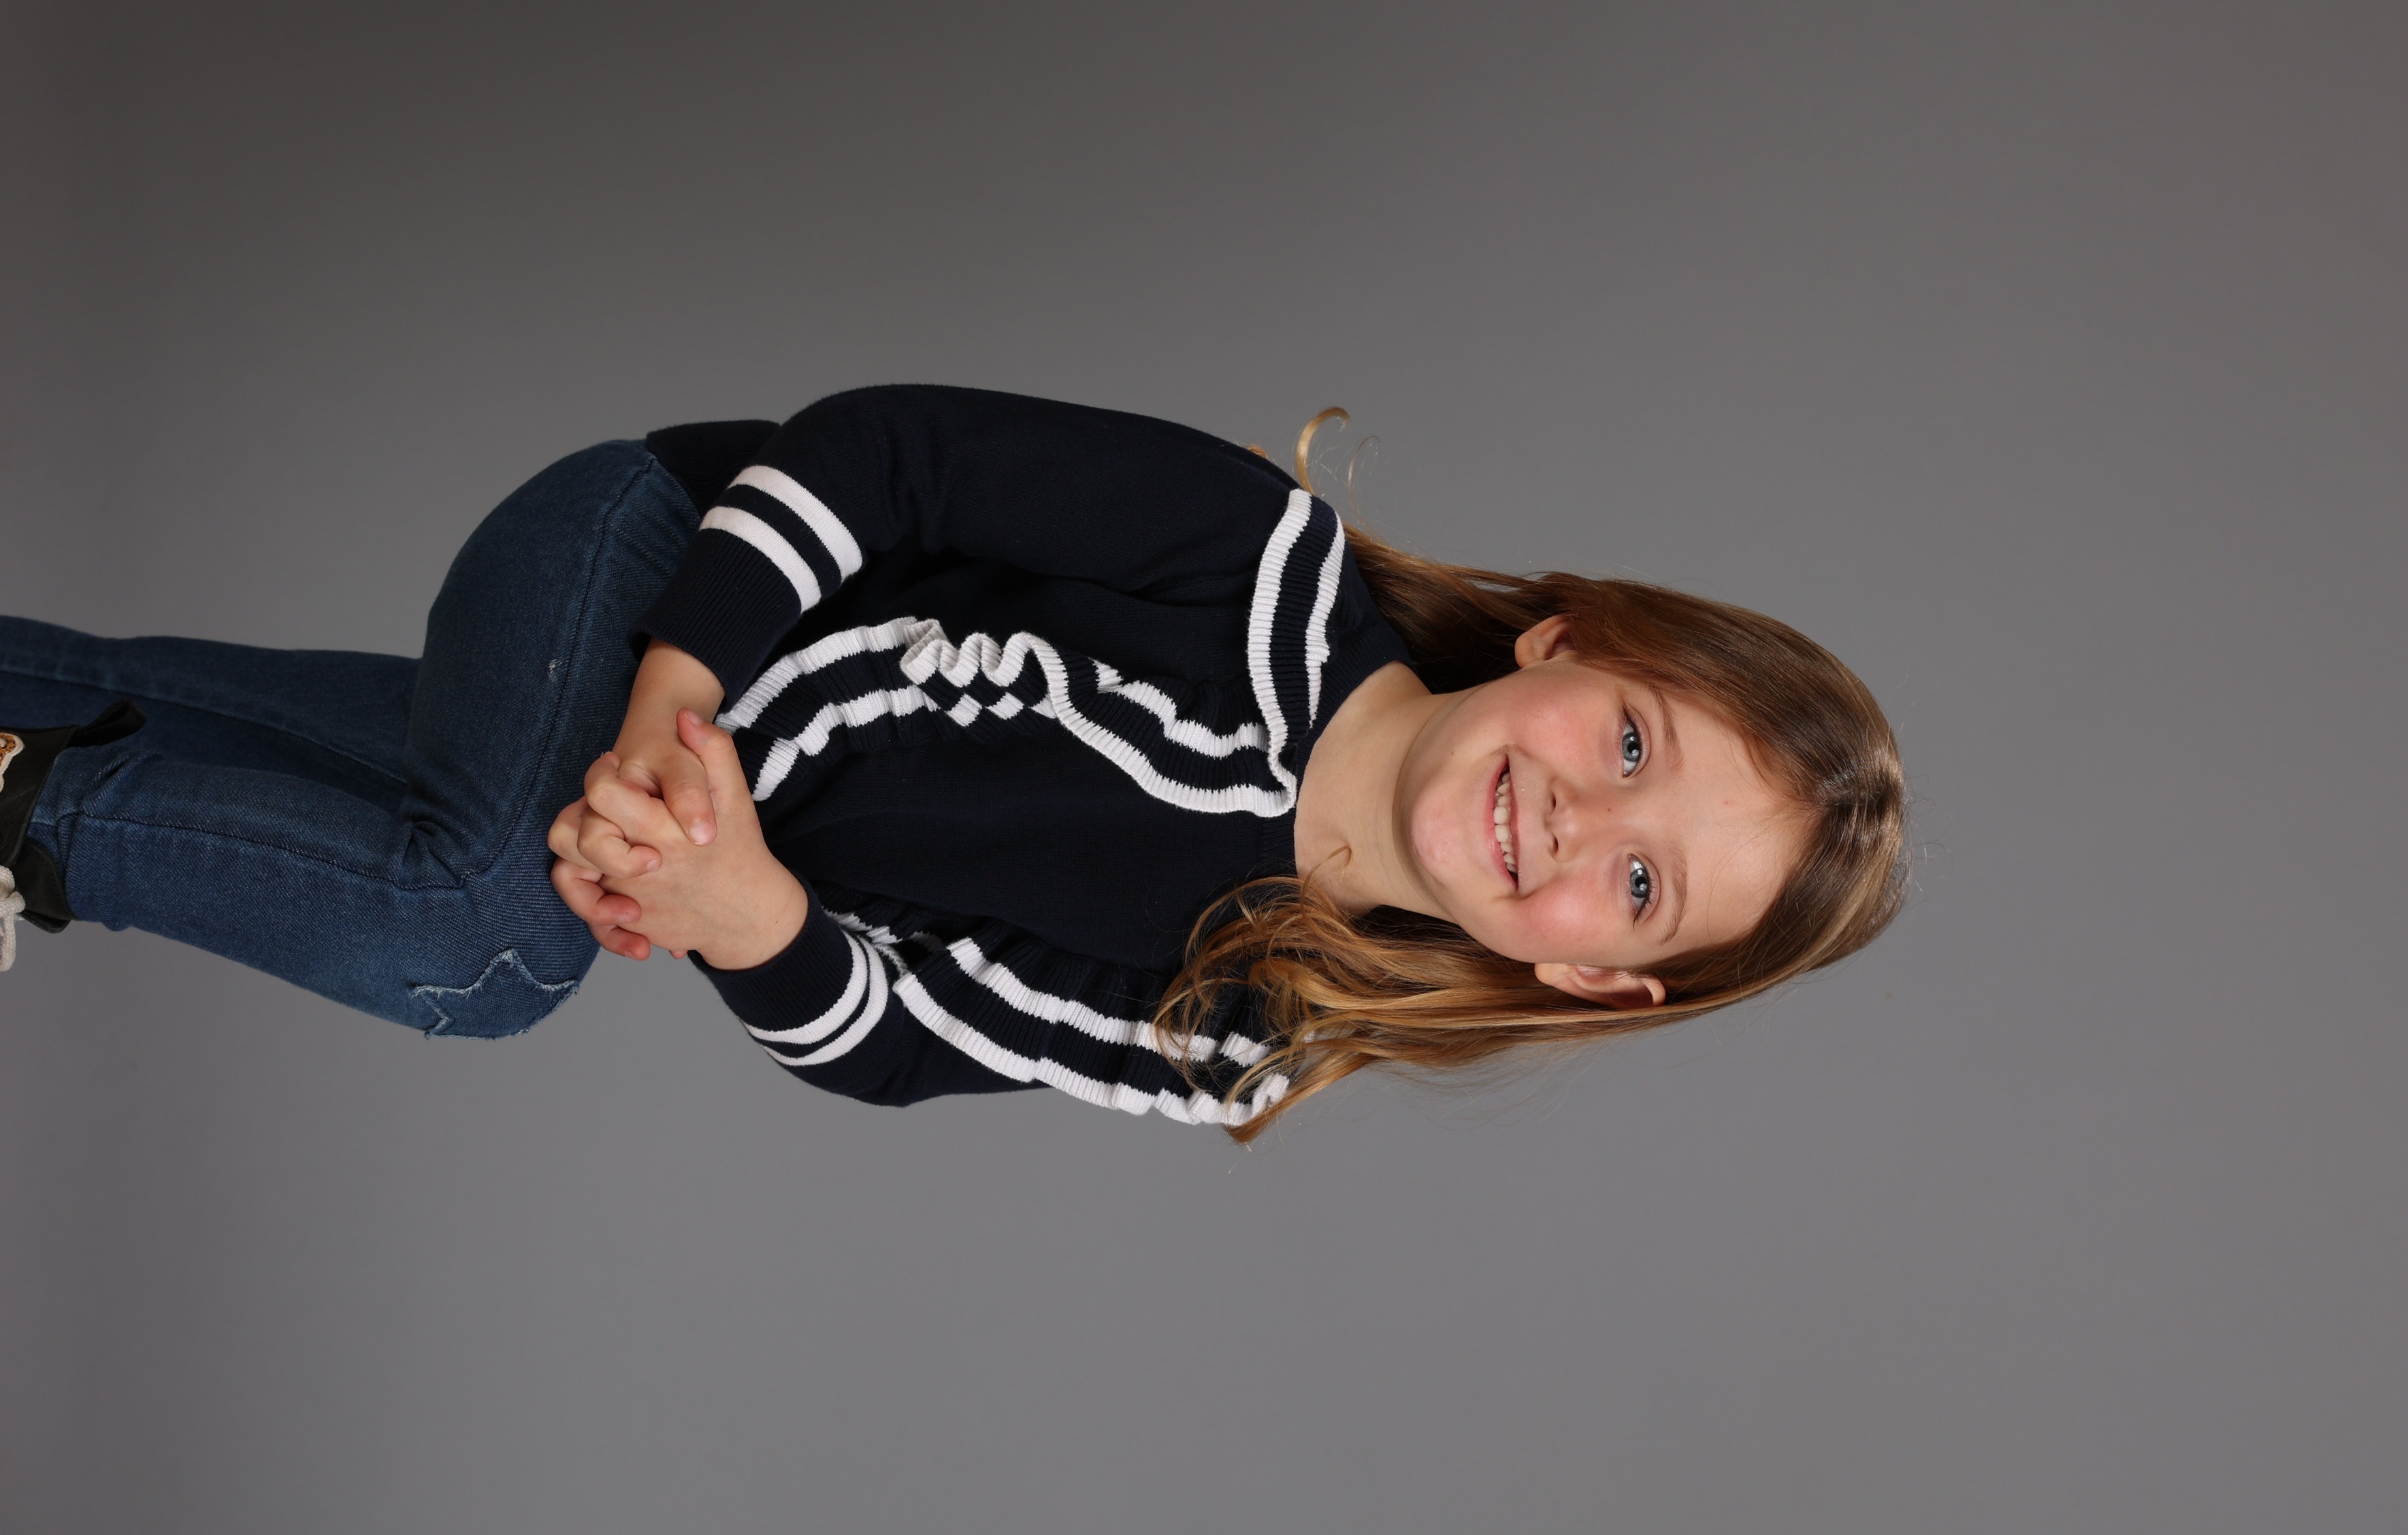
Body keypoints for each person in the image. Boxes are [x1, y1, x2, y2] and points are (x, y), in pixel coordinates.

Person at [0, 386, 1904, 1142]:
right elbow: (882, 458)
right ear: (1568, 640)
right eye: (1631, 740)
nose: (1579, 817)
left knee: (306, 780)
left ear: (1595, 976)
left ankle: (40, 726)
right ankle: (22, 816)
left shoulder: (1243, 1023)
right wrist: (675, 707)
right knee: (480, 944)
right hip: (660, 558)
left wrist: (742, 909)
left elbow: (909, 1035)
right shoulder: (1256, 561)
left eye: (1639, 881)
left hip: (670, 807)